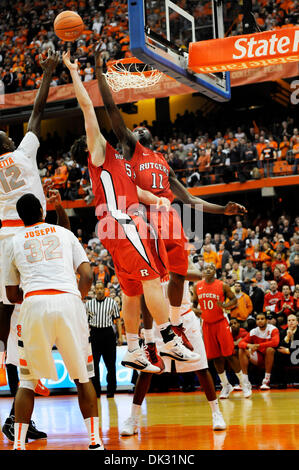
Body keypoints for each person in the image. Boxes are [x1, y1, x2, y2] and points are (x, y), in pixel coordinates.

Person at [95, 48, 246, 359]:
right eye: (133, 131)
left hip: (168, 216)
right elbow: (112, 114)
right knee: (149, 280)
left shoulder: (163, 162)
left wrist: (223, 210)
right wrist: (100, 77)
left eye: (140, 130)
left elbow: (189, 198)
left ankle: (174, 326)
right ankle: (150, 341)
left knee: (177, 272)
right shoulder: (130, 150)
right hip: (140, 219)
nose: (137, 130)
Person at [62, 51, 199, 373]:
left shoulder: (116, 165)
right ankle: (169, 339)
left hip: (115, 226)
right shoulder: (99, 152)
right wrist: (75, 72)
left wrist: (158, 200)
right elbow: (87, 108)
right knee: (153, 279)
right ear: (87, 147)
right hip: (124, 222)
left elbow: (135, 190)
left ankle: (135, 348)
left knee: (132, 290)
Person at [4, 193, 104, 451]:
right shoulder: (64, 233)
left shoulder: (13, 242)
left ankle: (17, 445)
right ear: (41, 209)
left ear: (20, 217)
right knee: (83, 378)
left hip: (34, 304)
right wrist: (74, 297)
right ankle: (95, 442)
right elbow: (87, 275)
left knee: (26, 381)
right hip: (69, 302)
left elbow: (12, 295)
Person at [0, 49, 59, 443]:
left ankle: (18, 408)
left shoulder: (18, 153)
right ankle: (18, 406)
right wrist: (49, 70)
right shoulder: (22, 152)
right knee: (19, 332)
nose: (7, 130)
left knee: (12, 331)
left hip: (7, 243)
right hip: (25, 240)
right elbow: (37, 110)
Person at [120, 262, 226, 435]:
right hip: (158, 322)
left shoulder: (177, 254)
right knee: (146, 370)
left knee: (201, 368)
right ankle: (133, 418)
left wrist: (172, 270)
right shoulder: (147, 258)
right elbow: (144, 302)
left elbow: (198, 275)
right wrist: (148, 335)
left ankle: (216, 413)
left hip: (184, 319)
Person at [194, 263, 251, 399]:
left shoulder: (222, 285)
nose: (208, 269)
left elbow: (234, 301)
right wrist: (197, 312)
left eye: (211, 268)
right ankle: (225, 385)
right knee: (215, 357)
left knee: (229, 354)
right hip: (207, 325)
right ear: (202, 272)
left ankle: (244, 383)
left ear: (215, 271)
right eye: (206, 268)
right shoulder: (197, 286)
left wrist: (225, 305)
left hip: (221, 323)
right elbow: (194, 305)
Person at [86, 280, 123, 398]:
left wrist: (120, 336)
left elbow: (117, 320)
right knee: (94, 365)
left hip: (108, 334)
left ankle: (111, 391)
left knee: (111, 365)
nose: (99, 290)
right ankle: (96, 391)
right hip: (95, 334)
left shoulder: (112, 303)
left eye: (101, 288)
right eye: (97, 289)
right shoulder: (88, 304)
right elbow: (84, 323)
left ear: (104, 289)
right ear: (94, 290)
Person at [238, 312, 280, 391]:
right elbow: (241, 343)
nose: (260, 321)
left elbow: (275, 342)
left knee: (270, 349)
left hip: (272, 358)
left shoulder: (273, 329)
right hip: (259, 358)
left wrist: (258, 346)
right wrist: (249, 345)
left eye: (262, 319)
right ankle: (245, 382)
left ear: (266, 320)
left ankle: (266, 381)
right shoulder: (253, 331)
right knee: (242, 349)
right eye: (258, 319)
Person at [274, 314, 299, 387]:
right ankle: (281, 382)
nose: (291, 322)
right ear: (287, 323)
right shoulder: (282, 332)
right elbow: (278, 346)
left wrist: (289, 350)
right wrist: (287, 337)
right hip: (286, 357)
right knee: (277, 354)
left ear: (297, 322)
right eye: (289, 320)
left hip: (297, 356)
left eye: (293, 320)